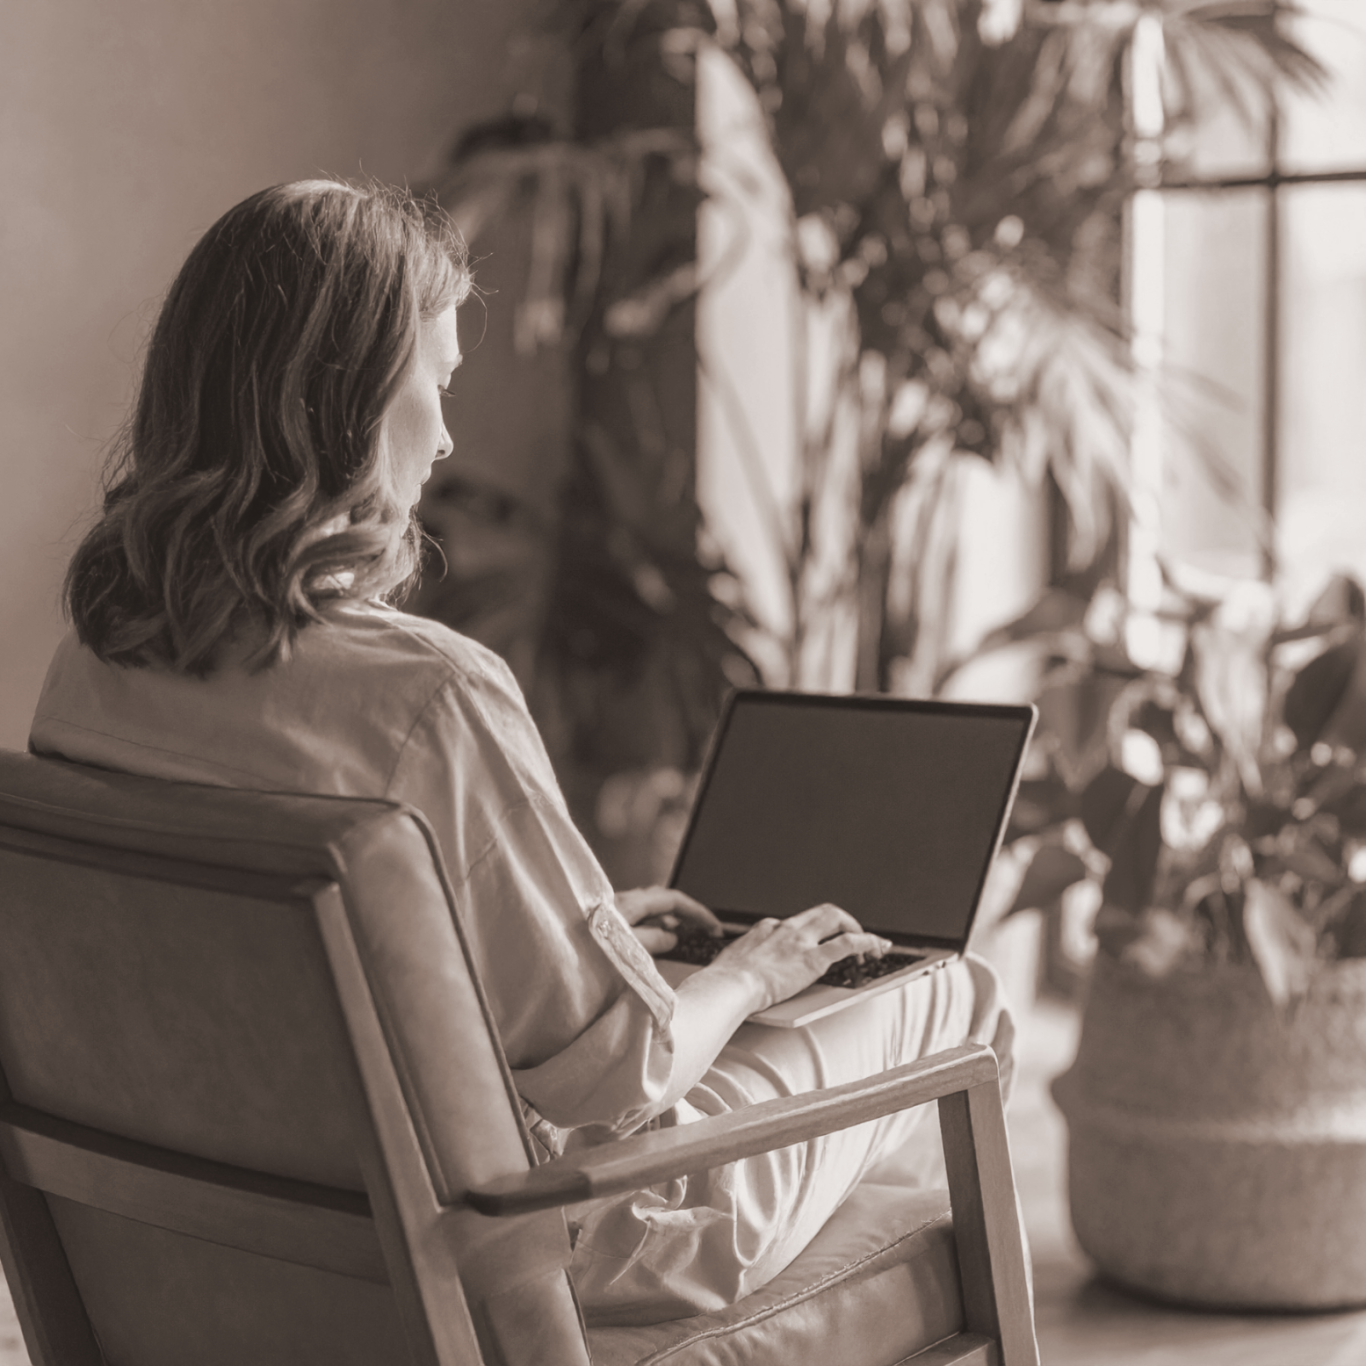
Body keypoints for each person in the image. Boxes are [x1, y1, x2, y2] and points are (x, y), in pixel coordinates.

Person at [29, 179, 1015, 1326]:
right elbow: (614, 1078)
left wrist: (579, 938)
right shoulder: (426, 697)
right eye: (433, 388)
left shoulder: (89, 670)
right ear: (341, 406)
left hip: (247, 1234)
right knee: (951, 994)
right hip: (558, 1234)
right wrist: (749, 971)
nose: (446, 437)